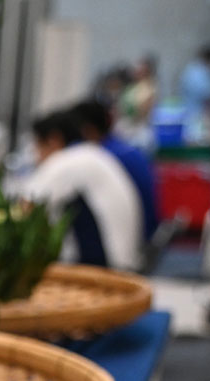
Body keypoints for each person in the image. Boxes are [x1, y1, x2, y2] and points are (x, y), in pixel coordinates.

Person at [19, 110, 143, 271]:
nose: (36, 156)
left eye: (37, 147)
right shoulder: (91, 153)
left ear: (53, 140)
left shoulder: (68, 160)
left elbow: (25, 207)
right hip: (126, 262)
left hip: (106, 270)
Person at [73, 99, 159, 241]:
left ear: (87, 130)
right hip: (146, 232)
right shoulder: (127, 151)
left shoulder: (100, 157)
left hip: (132, 238)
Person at [116, 55, 158, 148]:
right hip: (126, 126)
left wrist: (132, 110)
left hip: (139, 128)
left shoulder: (149, 88)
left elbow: (144, 110)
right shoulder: (131, 87)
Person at [179, 45, 210, 131]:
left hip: (188, 110)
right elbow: (208, 95)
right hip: (197, 113)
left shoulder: (191, 69)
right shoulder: (201, 73)